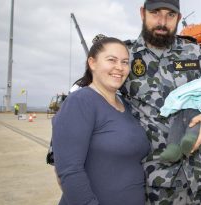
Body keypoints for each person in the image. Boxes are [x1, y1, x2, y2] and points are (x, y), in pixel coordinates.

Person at [123, 0, 201, 204]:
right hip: (154, 186)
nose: (162, 21)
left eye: (170, 15)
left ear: (178, 18)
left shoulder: (196, 54)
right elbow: (91, 97)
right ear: (142, 13)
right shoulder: (124, 57)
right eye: (155, 13)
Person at [52, 36, 150, 205]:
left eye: (125, 62)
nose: (119, 67)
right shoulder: (80, 102)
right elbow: (69, 172)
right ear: (92, 63)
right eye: (111, 60)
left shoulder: (126, 105)